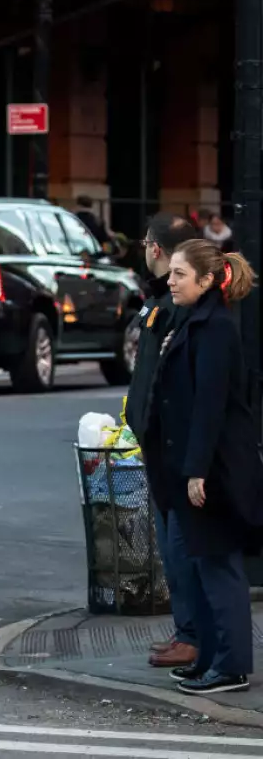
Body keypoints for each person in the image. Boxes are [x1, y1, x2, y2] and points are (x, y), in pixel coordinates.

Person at [148, 239, 263, 696]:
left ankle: (232, 665)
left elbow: (210, 406)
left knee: (218, 567)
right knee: (193, 564)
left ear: (207, 279)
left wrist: (196, 471)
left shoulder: (215, 327)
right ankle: (211, 659)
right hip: (185, 468)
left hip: (211, 471)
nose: (170, 280)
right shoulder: (193, 319)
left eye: (179, 274)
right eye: (171, 272)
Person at [124, 213, 200, 670]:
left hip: (170, 444)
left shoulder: (176, 306)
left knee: (179, 546)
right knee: (174, 545)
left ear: (153, 247)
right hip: (161, 441)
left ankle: (191, 634)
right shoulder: (163, 302)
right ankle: (186, 631)